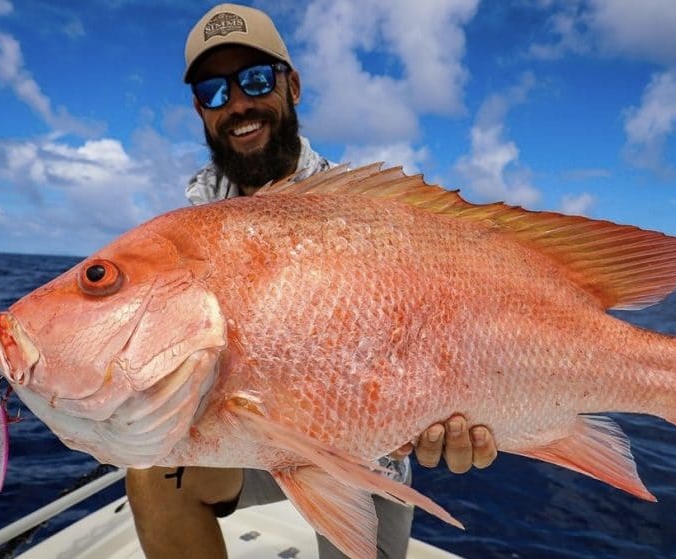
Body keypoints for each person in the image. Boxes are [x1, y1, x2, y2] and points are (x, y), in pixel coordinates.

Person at [125, 4, 499, 558]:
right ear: (200, 109)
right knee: (149, 475)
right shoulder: (194, 224)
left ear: (292, 85)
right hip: (247, 441)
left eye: (254, 79)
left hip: (364, 451)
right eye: (214, 90)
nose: (238, 104)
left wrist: (449, 408)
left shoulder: (357, 213)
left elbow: (444, 324)